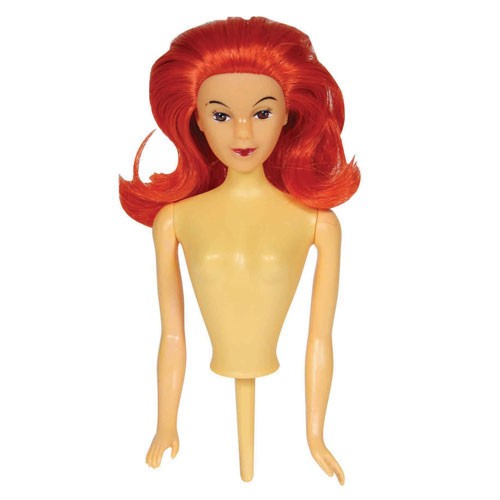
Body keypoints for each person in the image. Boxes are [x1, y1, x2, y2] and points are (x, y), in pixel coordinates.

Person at [119, 16, 360, 483]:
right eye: (221, 115)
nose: (243, 134)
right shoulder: (175, 220)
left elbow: (320, 337)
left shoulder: (317, 223)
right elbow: (172, 334)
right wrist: (166, 422)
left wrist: (315, 435)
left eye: (262, 113)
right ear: (196, 118)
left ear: (289, 113)